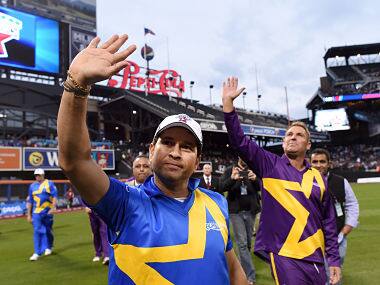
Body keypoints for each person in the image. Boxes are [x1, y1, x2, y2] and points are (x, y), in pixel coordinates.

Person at [57, 34, 247, 284]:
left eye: (187, 147)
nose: (176, 152)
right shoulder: (124, 202)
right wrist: (76, 85)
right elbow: (74, 161)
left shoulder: (216, 202)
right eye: (167, 142)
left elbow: (233, 270)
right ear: (151, 150)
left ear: (198, 160)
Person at [221, 77, 341, 285]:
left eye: (299, 135)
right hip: (284, 254)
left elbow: (329, 222)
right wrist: (229, 106)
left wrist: (334, 260)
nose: (292, 137)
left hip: (316, 256)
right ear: (284, 142)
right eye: (289, 134)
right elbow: (239, 141)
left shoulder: (319, 178)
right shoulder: (270, 165)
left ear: (309, 144)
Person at [311, 148, 359, 283]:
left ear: (329, 164)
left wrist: (346, 229)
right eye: (315, 161)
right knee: (320, 273)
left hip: (338, 237)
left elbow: (352, 204)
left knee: (335, 271)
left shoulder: (341, 181)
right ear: (309, 163)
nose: (319, 165)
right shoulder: (302, 182)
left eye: (322, 161)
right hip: (312, 238)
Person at [220, 157, 261, 285]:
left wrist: (255, 179)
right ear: (238, 157)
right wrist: (232, 178)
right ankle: (250, 276)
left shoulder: (253, 170)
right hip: (235, 212)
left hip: (250, 211)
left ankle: (242, 269)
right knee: (242, 244)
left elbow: (261, 187)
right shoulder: (229, 170)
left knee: (248, 244)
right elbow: (221, 187)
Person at [27, 168, 58, 261]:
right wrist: (29, 214)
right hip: (36, 212)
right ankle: (37, 252)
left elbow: (55, 196)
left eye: (39, 175)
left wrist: (53, 208)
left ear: (43, 175)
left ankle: (49, 246)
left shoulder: (50, 183)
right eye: (36, 175)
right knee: (37, 230)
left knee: (48, 230)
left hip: (47, 211)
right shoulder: (32, 186)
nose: (37, 177)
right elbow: (30, 201)